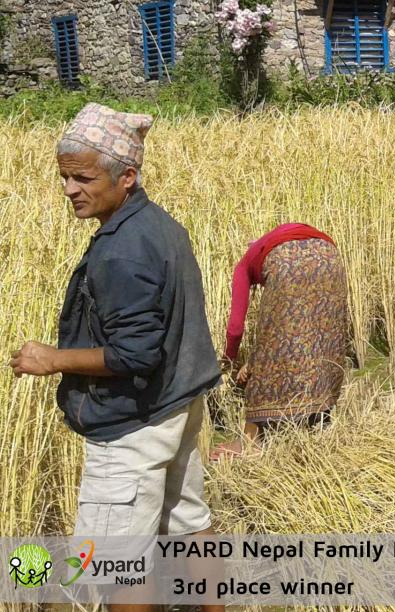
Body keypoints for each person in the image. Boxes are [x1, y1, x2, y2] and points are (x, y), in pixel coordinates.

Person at [8, 103, 222, 612]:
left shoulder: (120, 250)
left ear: (126, 176)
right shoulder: (161, 225)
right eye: (64, 178)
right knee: (190, 521)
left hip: (133, 424)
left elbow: (135, 354)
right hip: (177, 406)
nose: (69, 190)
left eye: (82, 178)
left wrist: (53, 358)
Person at [209, 223, 349, 460]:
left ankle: (250, 442)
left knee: (269, 348)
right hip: (330, 256)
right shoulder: (274, 240)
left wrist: (230, 360)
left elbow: (235, 327)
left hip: (286, 264)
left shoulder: (244, 265)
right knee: (325, 337)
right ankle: (320, 424)